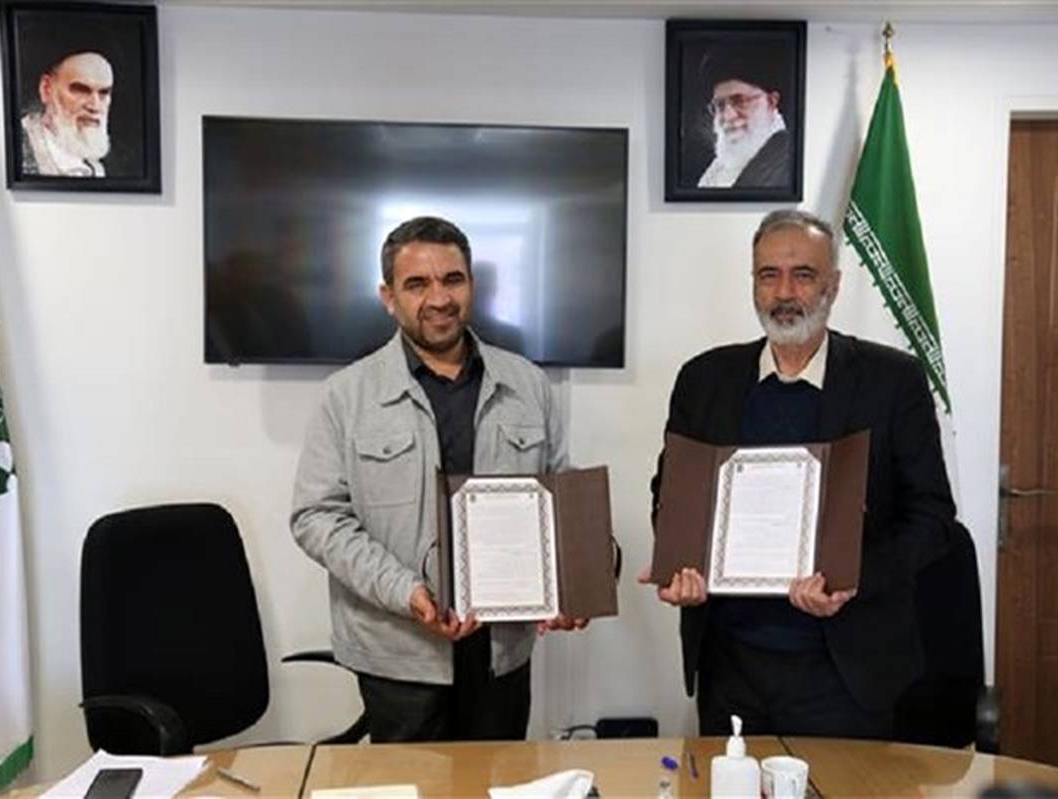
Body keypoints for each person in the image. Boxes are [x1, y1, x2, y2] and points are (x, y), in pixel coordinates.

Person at [646, 209, 957, 738]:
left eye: (804, 275)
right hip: (729, 664)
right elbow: (670, 496)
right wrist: (681, 568)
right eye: (769, 275)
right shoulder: (704, 379)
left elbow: (932, 518)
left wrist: (849, 580)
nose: (785, 292)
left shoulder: (891, 381)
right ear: (753, 283)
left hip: (846, 670)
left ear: (833, 285)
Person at [291, 216, 584, 743]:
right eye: (417, 284)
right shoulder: (346, 395)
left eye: (453, 279)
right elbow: (317, 517)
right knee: (413, 783)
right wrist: (406, 592)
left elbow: (562, 502)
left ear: (472, 284)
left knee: (497, 779)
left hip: (501, 650)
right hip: (399, 650)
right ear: (388, 297)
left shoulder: (527, 384)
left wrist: (577, 582)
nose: (439, 298)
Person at [696, 48, 791, 189]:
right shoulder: (715, 170)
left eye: (739, 101)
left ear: (771, 102)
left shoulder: (787, 158)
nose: (727, 116)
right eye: (720, 105)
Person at [20, 49, 113, 177]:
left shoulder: (95, 167)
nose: (95, 106)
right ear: (46, 89)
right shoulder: (17, 150)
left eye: (103, 93)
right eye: (81, 90)